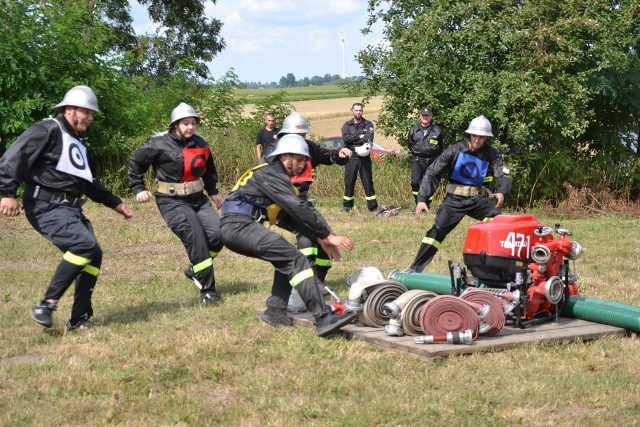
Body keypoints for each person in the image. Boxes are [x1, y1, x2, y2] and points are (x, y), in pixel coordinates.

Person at [0, 85, 134, 330]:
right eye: (87, 112)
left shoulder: (80, 145)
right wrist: (8, 193)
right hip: (45, 205)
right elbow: (14, 157)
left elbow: (89, 183)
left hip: (71, 209)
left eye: (93, 114)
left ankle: (80, 319)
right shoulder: (49, 128)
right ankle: (47, 304)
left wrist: (115, 203)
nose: (91, 118)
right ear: (70, 109)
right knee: (84, 245)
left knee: (93, 254)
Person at [220, 134, 358, 337]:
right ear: (286, 156)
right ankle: (323, 318)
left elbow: (290, 217)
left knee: (285, 256)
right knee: (297, 260)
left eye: (305, 161)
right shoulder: (272, 174)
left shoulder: (274, 177)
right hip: (238, 226)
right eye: (300, 160)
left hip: (237, 225)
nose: (303, 165)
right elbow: (298, 207)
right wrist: (328, 234)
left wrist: (320, 239)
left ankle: (276, 310)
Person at [128, 102, 223, 304]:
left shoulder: (201, 143)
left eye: (193, 123)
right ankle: (208, 290)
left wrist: (213, 192)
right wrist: (138, 188)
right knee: (196, 238)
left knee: (218, 235)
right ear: (175, 125)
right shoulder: (158, 143)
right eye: (185, 123)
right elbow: (136, 163)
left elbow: (209, 169)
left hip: (198, 198)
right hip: (172, 201)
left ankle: (196, 269)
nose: (190, 127)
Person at [407, 115, 512, 273]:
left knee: (498, 222)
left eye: (481, 137)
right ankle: (414, 269)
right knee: (436, 232)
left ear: (486, 138)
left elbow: (504, 174)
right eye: (474, 135)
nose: (477, 140)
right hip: (454, 200)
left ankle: (496, 270)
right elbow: (432, 173)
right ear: (469, 135)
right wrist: (422, 199)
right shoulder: (456, 149)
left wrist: (502, 192)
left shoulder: (491, 153)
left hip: (477, 200)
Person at [276, 112, 351, 290]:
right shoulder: (276, 151)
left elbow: (327, 156)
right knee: (307, 233)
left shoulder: (308, 147)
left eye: (303, 135)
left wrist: (339, 155)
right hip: (280, 203)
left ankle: (319, 279)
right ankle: (306, 279)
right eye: (297, 135)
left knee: (327, 235)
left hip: (302, 202)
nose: (301, 139)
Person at [341, 102, 378, 212]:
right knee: (349, 182)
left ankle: (373, 207)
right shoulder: (347, 125)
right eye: (356, 110)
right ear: (352, 111)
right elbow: (345, 139)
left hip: (364, 157)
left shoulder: (368, 124)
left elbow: (368, 139)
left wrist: (356, 138)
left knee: (368, 182)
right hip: (351, 156)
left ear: (362, 111)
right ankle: (347, 206)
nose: (358, 112)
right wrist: (359, 136)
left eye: (360, 110)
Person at [407, 107, 444, 207]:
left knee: (429, 183)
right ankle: (418, 202)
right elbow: (410, 144)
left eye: (427, 115)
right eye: (423, 115)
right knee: (415, 182)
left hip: (431, 161)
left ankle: (427, 204)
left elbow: (441, 146)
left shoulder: (437, 130)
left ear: (431, 117)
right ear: (420, 116)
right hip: (417, 160)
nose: (425, 117)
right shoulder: (414, 129)